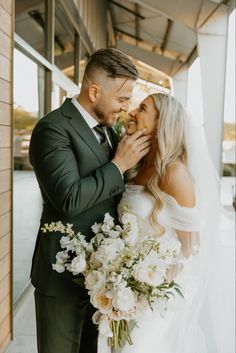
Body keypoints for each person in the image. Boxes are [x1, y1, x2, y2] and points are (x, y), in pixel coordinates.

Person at [29, 48, 152, 353]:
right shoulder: (52, 128)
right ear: (94, 91)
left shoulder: (110, 130)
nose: (125, 108)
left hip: (101, 280)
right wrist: (118, 166)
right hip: (61, 277)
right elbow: (69, 198)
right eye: (122, 99)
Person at [116, 93, 220, 353]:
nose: (131, 112)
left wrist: (152, 286)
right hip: (123, 289)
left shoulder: (175, 173)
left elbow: (192, 246)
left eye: (142, 108)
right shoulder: (137, 166)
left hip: (155, 299)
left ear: (161, 123)